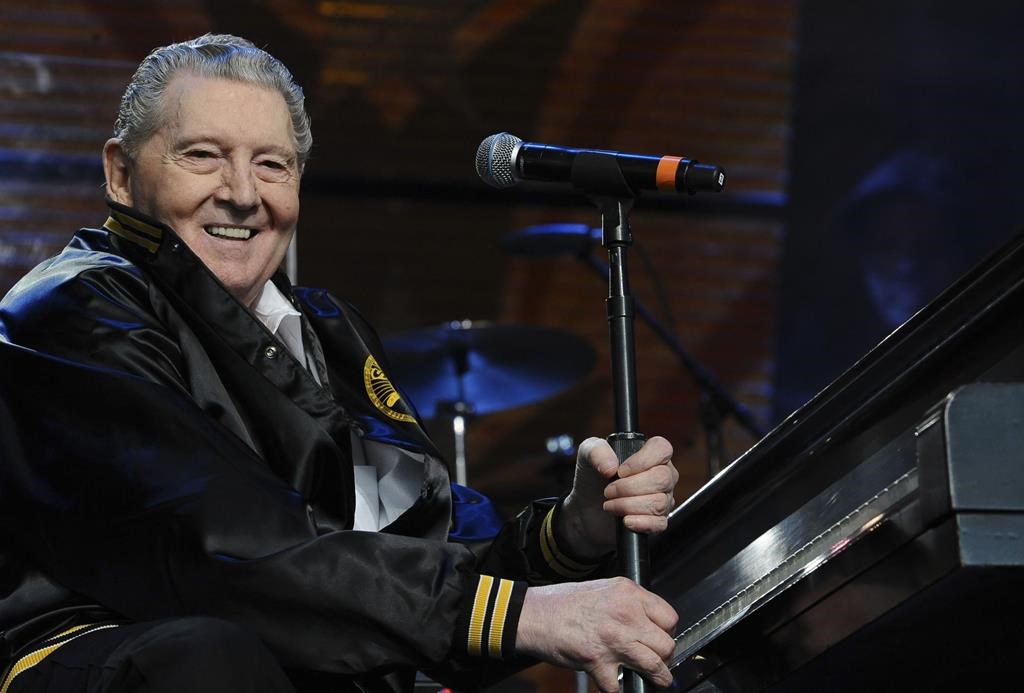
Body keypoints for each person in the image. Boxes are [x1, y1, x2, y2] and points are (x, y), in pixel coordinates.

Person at [0, 34, 679, 693]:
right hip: (103, 653)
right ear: (121, 172)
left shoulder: (330, 330)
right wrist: (517, 616)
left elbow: (428, 542)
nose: (242, 192)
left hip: (281, 661)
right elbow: (213, 539)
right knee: (207, 654)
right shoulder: (73, 306)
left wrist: (571, 530)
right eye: (204, 155)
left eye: (271, 164)